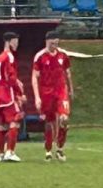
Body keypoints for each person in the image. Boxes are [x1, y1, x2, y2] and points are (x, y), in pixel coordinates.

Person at [32, 31, 74, 161]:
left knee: (64, 119)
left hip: (61, 91)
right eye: (52, 43)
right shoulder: (40, 56)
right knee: (49, 122)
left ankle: (60, 149)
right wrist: (37, 97)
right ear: (47, 42)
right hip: (46, 93)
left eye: (56, 43)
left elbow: (68, 73)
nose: (54, 45)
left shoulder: (63, 55)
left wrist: (71, 89)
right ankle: (48, 149)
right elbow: (34, 76)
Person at [0, 31, 25, 162]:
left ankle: (0, 154)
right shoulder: (9, 56)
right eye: (15, 41)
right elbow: (11, 77)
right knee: (15, 121)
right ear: (9, 42)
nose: (17, 44)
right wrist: (19, 93)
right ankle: (10, 152)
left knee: (2, 125)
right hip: (8, 95)